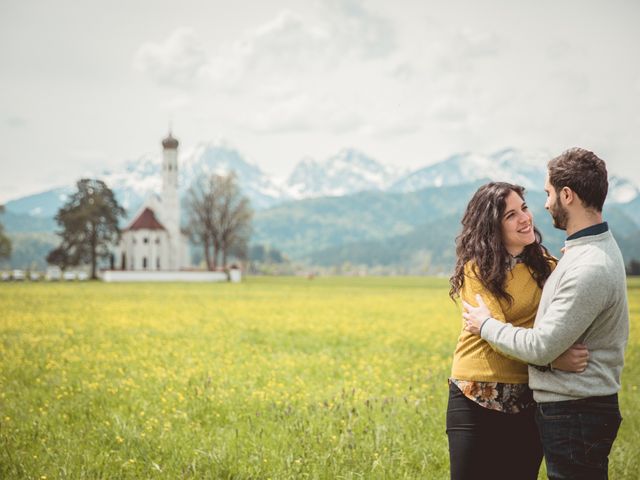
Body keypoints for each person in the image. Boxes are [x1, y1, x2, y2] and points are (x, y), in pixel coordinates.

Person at [464, 148, 629, 479]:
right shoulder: (585, 254)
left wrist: (486, 325)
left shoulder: (588, 266)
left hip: (576, 410)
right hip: (574, 409)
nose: (543, 205)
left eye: (548, 193)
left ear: (567, 195)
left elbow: (542, 346)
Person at [447, 181, 588, 480]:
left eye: (523, 208)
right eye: (510, 215)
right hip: (475, 395)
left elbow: (564, 314)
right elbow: (495, 335)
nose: (525, 218)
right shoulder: (477, 269)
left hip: (527, 396)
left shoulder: (547, 267)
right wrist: (553, 359)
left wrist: (574, 261)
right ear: (491, 227)